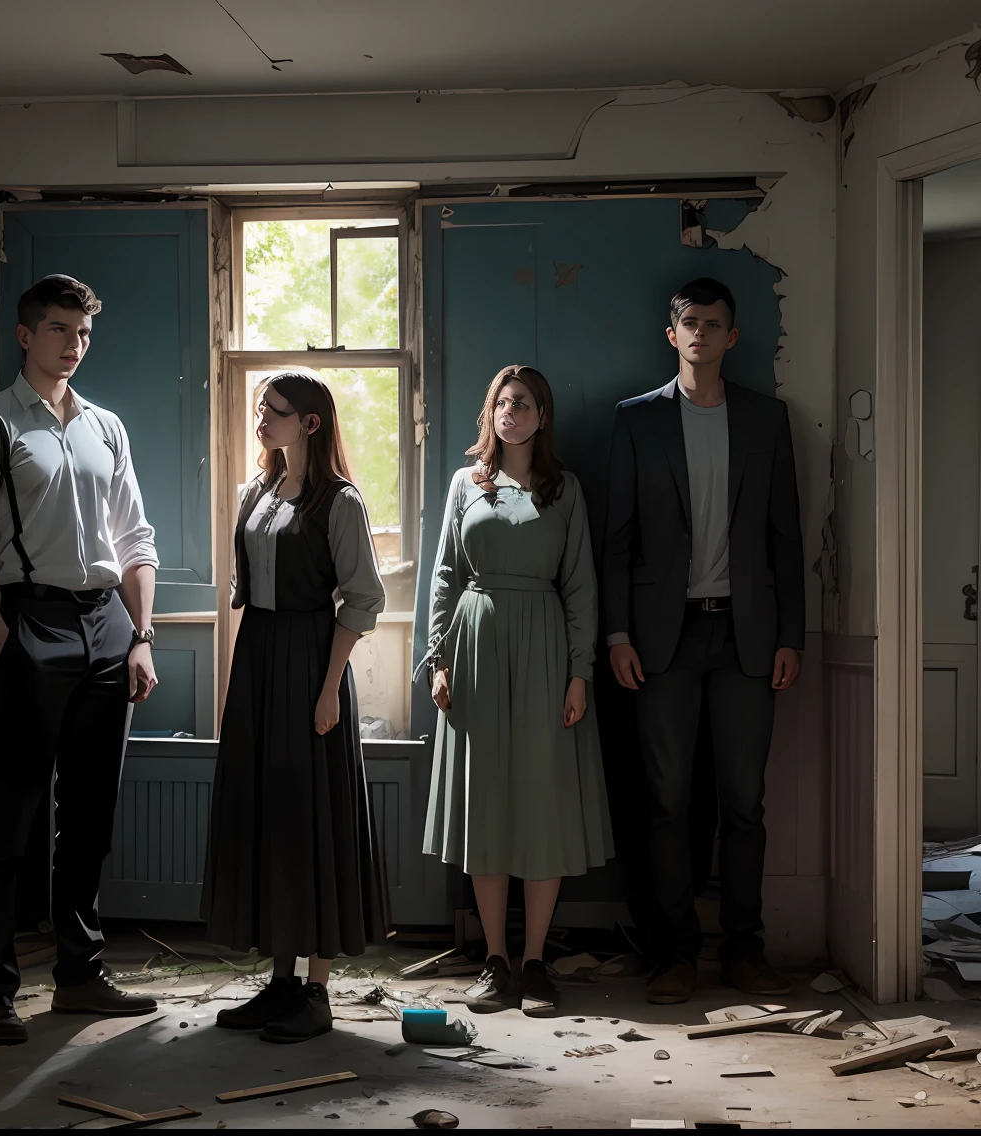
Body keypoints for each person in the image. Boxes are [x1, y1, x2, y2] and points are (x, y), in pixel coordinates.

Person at [0, 274, 163, 1045]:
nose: (74, 345)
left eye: (84, 333)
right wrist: (6, 639)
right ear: (26, 336)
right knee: (10, 817)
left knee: (91, 815)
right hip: (29, 620)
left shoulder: (106, 426)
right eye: (60, 330)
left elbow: (136, 538)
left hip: (107, 624)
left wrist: (141, 634)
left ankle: (78, 976)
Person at [602, 277, 805, 1004]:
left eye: (713, 324)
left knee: (743, 804)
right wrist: (618, 632)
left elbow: (787, 537)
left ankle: (744, 953)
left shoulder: (766, 420)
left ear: (731, 337)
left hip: (748, 638)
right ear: (673, 334)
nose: (700, 334)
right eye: (689, 322)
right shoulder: (636, 420)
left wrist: (792, 635)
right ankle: (674, 953)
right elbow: (616, 541)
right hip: (663, 640)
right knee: (666, 802)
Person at [202, 371, 390, 1044]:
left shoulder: (338, 501)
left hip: (312, 659)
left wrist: (327, 686)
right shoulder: (258, 490)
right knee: (269, 816)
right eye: (260, 410)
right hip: (259, 660)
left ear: (310, 423)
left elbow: (364, 599)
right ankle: (280, 982)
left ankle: (316, 989)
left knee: (314, 818)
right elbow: (246, 588)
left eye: (273, 413)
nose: (261, 421)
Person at [422, 365, 614, 1018]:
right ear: (491, 412)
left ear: (542, 415)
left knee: (541, 804)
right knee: (486, 807)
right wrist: (437, 658)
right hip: (474, 650)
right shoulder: (462, 484)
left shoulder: (566, 491)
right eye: (502, 402)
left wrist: (579, 671)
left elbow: (582, 583)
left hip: (543, 649)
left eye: (524, 403)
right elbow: (444, 574)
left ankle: (536, 962)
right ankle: (494, 960)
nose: (511, 412)